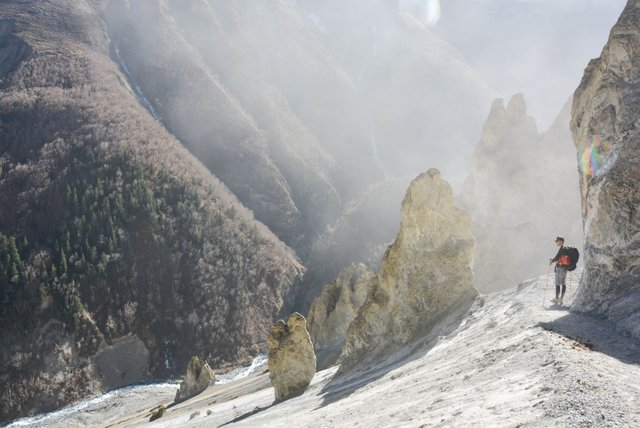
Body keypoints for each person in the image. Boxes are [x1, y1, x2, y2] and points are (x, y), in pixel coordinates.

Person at [549, 236, 572, 305]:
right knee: (563, 283)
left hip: (559, 268)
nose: (556, 242)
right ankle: (561, 298)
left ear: (561, 242)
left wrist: (551, 260)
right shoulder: (566, 249)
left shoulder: (562, 249)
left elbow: (557, 257)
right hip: (564, 268)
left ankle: (556, 299)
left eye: (557, 241)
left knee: (558, 284)